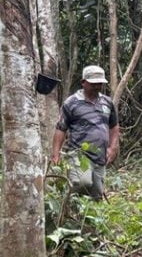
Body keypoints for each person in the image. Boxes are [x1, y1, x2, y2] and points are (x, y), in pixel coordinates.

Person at [51, 65, 120, 201]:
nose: (97, 87)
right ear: (83, 82)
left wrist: (112, 147)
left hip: (100, 155)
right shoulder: (71, 103)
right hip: (79, 153)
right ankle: (66, 203)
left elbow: (114, 126)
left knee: (96, 195)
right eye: (93, 83)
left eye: (99, 84)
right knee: (82, 182)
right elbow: (61, 128)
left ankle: (86, 220)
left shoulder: (107, 102)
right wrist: (56, 153)